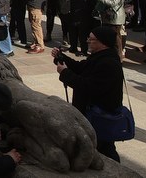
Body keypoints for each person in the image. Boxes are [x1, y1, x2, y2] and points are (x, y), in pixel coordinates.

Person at [52, 26, 125, 161]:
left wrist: (65, 73)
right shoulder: (99, 57)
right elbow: (81, 68)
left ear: (102, 42)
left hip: (100, 113)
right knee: (99, 145)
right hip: (93, 111)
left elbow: (87, 86)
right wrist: (62, 58)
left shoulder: (108, 63)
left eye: (91, 39)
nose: (88, 41)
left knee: (105, 147)